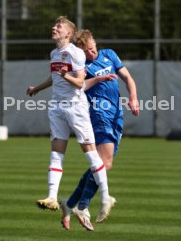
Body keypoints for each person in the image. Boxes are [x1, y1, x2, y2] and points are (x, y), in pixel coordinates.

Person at [26, 17, 115, 223]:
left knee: (91, 154)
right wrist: (37, 88)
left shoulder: (75, 53)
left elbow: (80, 82)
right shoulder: (54, 53)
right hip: (57, 107)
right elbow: (54, 77)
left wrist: (66, 75)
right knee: (56, 153)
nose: (54, 28)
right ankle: (52, 197)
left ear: (68, 33)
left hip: (76, 108)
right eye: (54, 25)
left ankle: (105, 196)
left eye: (59, 26)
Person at [60, 29, 140, 231]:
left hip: (116, 115)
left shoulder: (109, 54)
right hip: (98, 114)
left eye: (93, 48)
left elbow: (127, 77)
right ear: (80, 52)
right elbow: (81, 86)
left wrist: (133, 97)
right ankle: (83, 206)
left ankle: (70, 203)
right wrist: (97, 80)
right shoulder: (81, 66)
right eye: (87, 51)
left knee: (102, 163)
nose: (92, 53)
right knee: (105, 162)